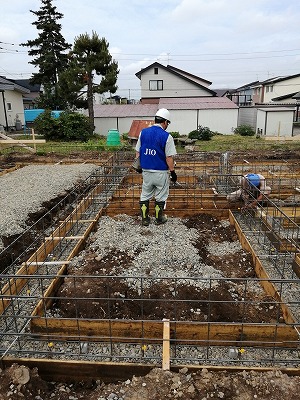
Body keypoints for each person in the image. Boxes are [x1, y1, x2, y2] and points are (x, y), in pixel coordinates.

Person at [135, 108, 177, 226]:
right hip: (160, 172)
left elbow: (138, 152)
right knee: (161, 196)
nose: (167, 125)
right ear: (165, 122)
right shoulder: (167, 137)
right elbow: (169, 158)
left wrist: (139, 166)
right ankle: (159, 219)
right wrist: (173, 173)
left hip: (146, 171)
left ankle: (145, 219)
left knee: (145, 194)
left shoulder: (143, 133)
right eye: (167, 123)